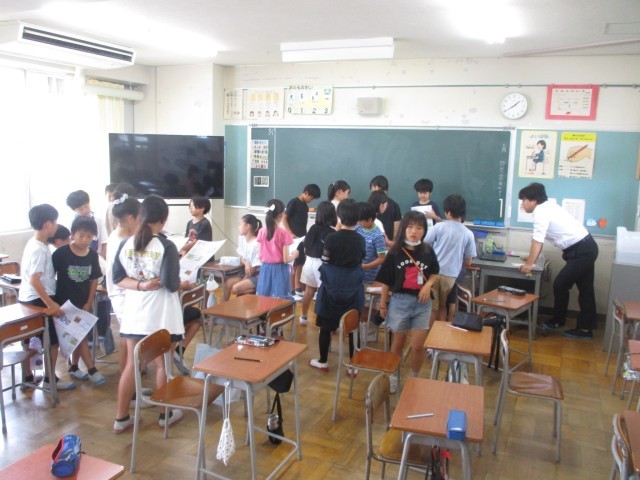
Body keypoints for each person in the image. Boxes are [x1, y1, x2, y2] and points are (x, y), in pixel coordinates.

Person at [111, 195, 189, 433]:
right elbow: (171, 284)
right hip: (161, 315)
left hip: (135, 314)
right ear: (163, 220)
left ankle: (121, 418)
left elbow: (117, 278)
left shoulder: (126, 243)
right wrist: (184, 283)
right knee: (163, 365)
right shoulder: (165, 246)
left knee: (132, 366)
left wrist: (141, 285)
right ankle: (165, 414)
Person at [518, 182, 599, 339]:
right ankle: (585, 329)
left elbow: (537, 240)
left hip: (582, 251)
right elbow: (538, 240)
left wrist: (529, 264)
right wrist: (531, 258)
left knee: (561, 284)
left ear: (534, 200)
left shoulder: (541, 211)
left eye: (524, 200)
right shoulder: (548, 207)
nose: (522, 204)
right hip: (585, 247)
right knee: (586, 289)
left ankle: (559, 320)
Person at [376, 211, 439, 393]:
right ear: (403, 228)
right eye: (410, 227)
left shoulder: (427, 250)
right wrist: (383, 305)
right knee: (398, 343)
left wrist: (428, 285)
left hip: (422, 303)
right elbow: (386, 281)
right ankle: (393, 376)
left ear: (424, 231)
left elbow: (434, 272)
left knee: (418, 346)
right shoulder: (395, 252)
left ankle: (415, 377)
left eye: (419, 228)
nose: (414, 231)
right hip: (400, 302)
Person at [18, 204, 76, 391]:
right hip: (38, 299)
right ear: (47, 224)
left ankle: (28, 376)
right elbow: (35, 280)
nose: (56, 225)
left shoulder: (34, 243)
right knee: (52, 342)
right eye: (55, 222)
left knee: (28, 340)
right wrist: (50, 304)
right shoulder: (39, 249)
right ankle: (50, 380)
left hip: (28, 298)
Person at [309, 199, 365, 372]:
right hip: (352, 286)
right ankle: (353, 365)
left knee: (326, 326)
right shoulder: (360, 239)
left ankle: (323, 361)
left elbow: (325, 259)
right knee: (353, 327)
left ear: (339, 216)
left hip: (331, 284)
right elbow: (361, 259)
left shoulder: (331, 237)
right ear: (358, 218)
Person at [52, 216, 105, 385]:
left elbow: (94, 280)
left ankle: (74, 367)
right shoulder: (61, 253)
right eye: (81, 235)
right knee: (78, 337)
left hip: (83, 303)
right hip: (64, 304)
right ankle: (91, 369)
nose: (85, 240)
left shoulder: (92, 255)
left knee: (80, 334)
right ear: (73, 234)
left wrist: (89, 301)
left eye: (89, 236)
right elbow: (49, 276)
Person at [425, 194, 476, 322]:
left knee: (433, 308)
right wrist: (457, 264)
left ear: (448, 213)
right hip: (451, 276)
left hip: (434, 273)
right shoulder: (468, 234)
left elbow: (424, 244)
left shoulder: (439, 227)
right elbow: (468, 261)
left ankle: (430, 333)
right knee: (443, 306)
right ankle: (441, 333)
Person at [105, 192, 140, 376]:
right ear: (130, 218)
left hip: (125, 291)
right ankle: (127, 377)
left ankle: (131, 374)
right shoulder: (122, 241)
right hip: (121, 293)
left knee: (129, 335)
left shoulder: (116, 235)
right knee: (128, 336)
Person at [299, 201, 337, 326]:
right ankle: (322, 322)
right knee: (323, 293)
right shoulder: (332, 232)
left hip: (309, 261)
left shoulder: (312, 228)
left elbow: (305, 248)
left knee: (308, 291)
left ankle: (303, 317)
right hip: (322, 264)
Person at [282, 184, 321, 298]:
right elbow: (284, 218)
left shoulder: (305, 206)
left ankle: (298, 287)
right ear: (305, 193)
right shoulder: (294, 202)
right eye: (311, 198)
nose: (311, 200)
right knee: (293, 265)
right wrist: (290, 233)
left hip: (302, 237)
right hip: (294, 239)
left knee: (300, 263)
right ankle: (291, 290)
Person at [356, 201, 387, 341]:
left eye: (361, 220)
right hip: (359, 276)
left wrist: (366, 266)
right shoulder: (359, 229)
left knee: (371, 308)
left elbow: (381, 258)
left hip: (371, 278)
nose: (359, 223)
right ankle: (361, 334)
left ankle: (369, 336)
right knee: (361, 306)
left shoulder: (378, 235)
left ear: (370, 219)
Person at [256, 199, 298, 299]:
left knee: (264, 297)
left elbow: (260, 256)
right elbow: (286, 259)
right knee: (280, 299)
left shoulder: (261, 231)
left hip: (265, 269)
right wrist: (295, 255)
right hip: (279, 270)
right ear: (282, 214)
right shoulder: (284, 234)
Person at [224, 214, 262, 300]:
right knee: (228, 284)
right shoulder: (241, 238)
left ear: (247, 226)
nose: (238, 227)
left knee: (235, 288)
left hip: (256, 275)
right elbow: (241, 256)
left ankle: (258, 289)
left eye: (240, 224)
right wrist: (246, 263)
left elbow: (253, 269)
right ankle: (220, 307)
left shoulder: (256, 244)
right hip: (245, 272)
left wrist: (243, 280)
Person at [66, 190, 108, 257]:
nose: (85, 210)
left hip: (97, 256)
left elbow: (104, 241)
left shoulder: (98, 221)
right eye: (81, 209)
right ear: (74, 210)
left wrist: (101, 257)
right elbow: (71, 242)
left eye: (86, 206)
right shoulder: (72, 223)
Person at [370, 175, 402, 241]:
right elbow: (397, 227)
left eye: (372, 188)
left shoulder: (370, 204)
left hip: (373, 241)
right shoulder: (395, 205)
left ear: (376, 187)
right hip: (389, 242)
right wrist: (392, 242)